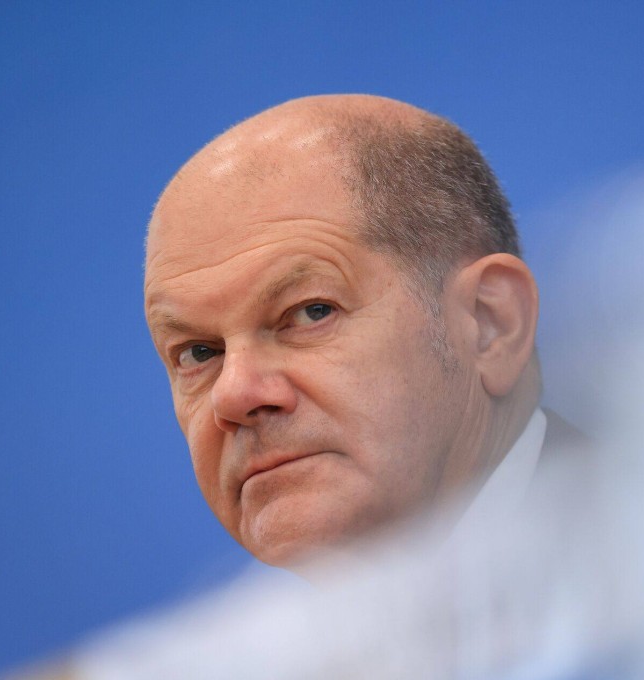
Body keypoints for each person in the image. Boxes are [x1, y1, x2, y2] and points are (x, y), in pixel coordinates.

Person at [143, 94, 547, 571]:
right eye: (198, 353)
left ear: (489, 324)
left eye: (312, 312)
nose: (232, 395)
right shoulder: (247, 642)